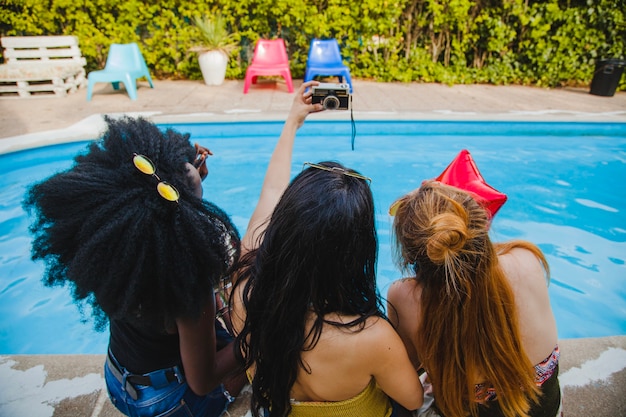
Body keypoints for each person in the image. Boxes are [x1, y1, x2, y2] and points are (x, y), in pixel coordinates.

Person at [23, 116, 245, 417]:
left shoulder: (108, 242)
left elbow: (160, 199)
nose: (193, 162)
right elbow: (203, 380)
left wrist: (187, 186)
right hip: (165, 402)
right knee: (257, 354)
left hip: (119, 382)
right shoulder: (187, 278)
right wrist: (258, 336)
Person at [229, 80, 424, 417]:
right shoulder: (372, 337)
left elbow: (272, 189)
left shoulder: (245, 288)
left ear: (283, 225)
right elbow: (413, 400)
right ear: (356, 253)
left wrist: (292, 122)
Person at [386, 181, 561, 417]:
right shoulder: (526, 258)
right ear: (482, 226)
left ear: (409, 257)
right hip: (545, 409)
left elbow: (408, 368)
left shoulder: (404, 296)